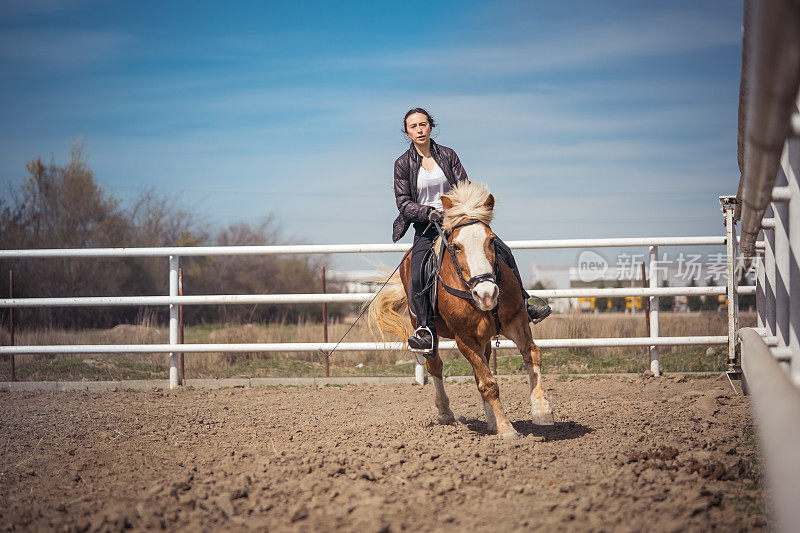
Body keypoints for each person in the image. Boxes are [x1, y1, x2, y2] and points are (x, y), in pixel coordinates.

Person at [392, 107, 551, 355]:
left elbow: (464, 186)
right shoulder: (402, 164)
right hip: (428, 226)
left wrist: (460, 211)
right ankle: (425, 330)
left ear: (430, 126)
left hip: (458, 220)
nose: (419, 130)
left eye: (423, 124)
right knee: (417, 273)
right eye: (413, 127)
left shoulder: (448, 155)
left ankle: (525, 300)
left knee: (502, 250)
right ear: (407, 133)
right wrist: (429, 213)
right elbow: (403, 202)